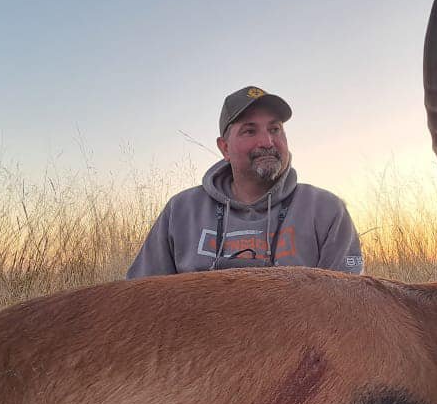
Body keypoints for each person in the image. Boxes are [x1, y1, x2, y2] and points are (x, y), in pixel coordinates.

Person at [127, 86, 364, 278]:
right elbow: (139, 300)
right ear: (225, 147)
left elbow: (347, 308)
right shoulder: (181, 211)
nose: (268, 141)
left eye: (275, 129)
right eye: (250, 131)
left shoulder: (326, 210)